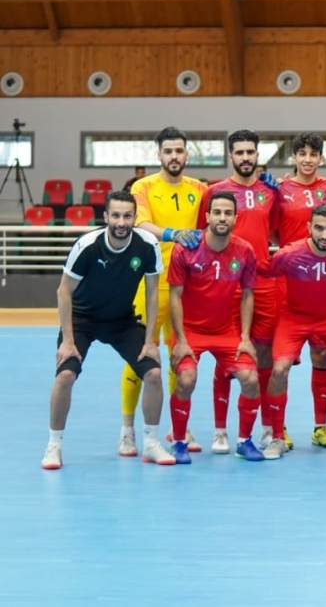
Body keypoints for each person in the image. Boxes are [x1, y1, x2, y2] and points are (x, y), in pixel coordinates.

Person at [43, 190, 173, 469]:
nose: (121, 221)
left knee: (152, 373)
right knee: (65, 375)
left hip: (121, 320)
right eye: (116, 215)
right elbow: (64, 292)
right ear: (106, 217)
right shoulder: (87, 246)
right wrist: (67, 341)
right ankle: (54, 445)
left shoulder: (147, 245)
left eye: (127, 215)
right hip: (82, 320)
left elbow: (152, 294)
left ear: (135, 218)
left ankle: (150, 442)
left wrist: (150, 340)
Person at [121, 127, 207, 457]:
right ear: (159, 154)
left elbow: (214, 220)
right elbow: (141, 225)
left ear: (187, 155)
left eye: (179, 151)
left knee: (180, 355)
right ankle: (128, 430)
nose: (174, 156)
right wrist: (173, 233)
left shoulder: (200, 189)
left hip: (187, 285)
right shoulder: (143, 187)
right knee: (141, 353)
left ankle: (178, 428)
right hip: (149, 282)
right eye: (168, 151)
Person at [261, 203, 326, 459]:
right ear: (309, 228)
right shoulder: (289, 254)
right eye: (318, 228)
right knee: (279, 369)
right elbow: (260, 270)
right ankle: (276, 436)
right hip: (294, 319)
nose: (324, 235)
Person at [167, 191, 264, 463]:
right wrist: (181, 340)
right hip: (191, 332)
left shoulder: (244, 251)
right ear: (207, 216)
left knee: (251, 379)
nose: (222, 218)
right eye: (217, 212)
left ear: (236, 218)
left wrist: (245, 337)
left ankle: (244, 441)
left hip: (227, 332)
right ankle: (179, 442)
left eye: (228, 213)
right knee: (186, 380)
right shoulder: (185, 249)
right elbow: (174, 295)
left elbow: (247, 295)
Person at [202, 130, 281, 453]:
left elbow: (275, 231)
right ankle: (220, 431)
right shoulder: (215, 192)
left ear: (257, 155)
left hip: (262, 284)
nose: (246, 157)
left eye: (251, 152)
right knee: (226, 356)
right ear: (230, 156)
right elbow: (201, 235)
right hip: (225, 284)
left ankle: (264, 428)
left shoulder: (269, 191)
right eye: (240, 152)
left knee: (264, 356)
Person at [276, 133, 326, 449]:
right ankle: (280, 427)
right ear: (293, 157)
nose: (307, 159)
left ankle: (320, 426)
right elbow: (273, 228)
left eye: (313, 154)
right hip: (286, 282)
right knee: (282, 360)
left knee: (320, 354)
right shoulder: (280, 189)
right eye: (301, 153)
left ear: (320, 158)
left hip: (321, 282)